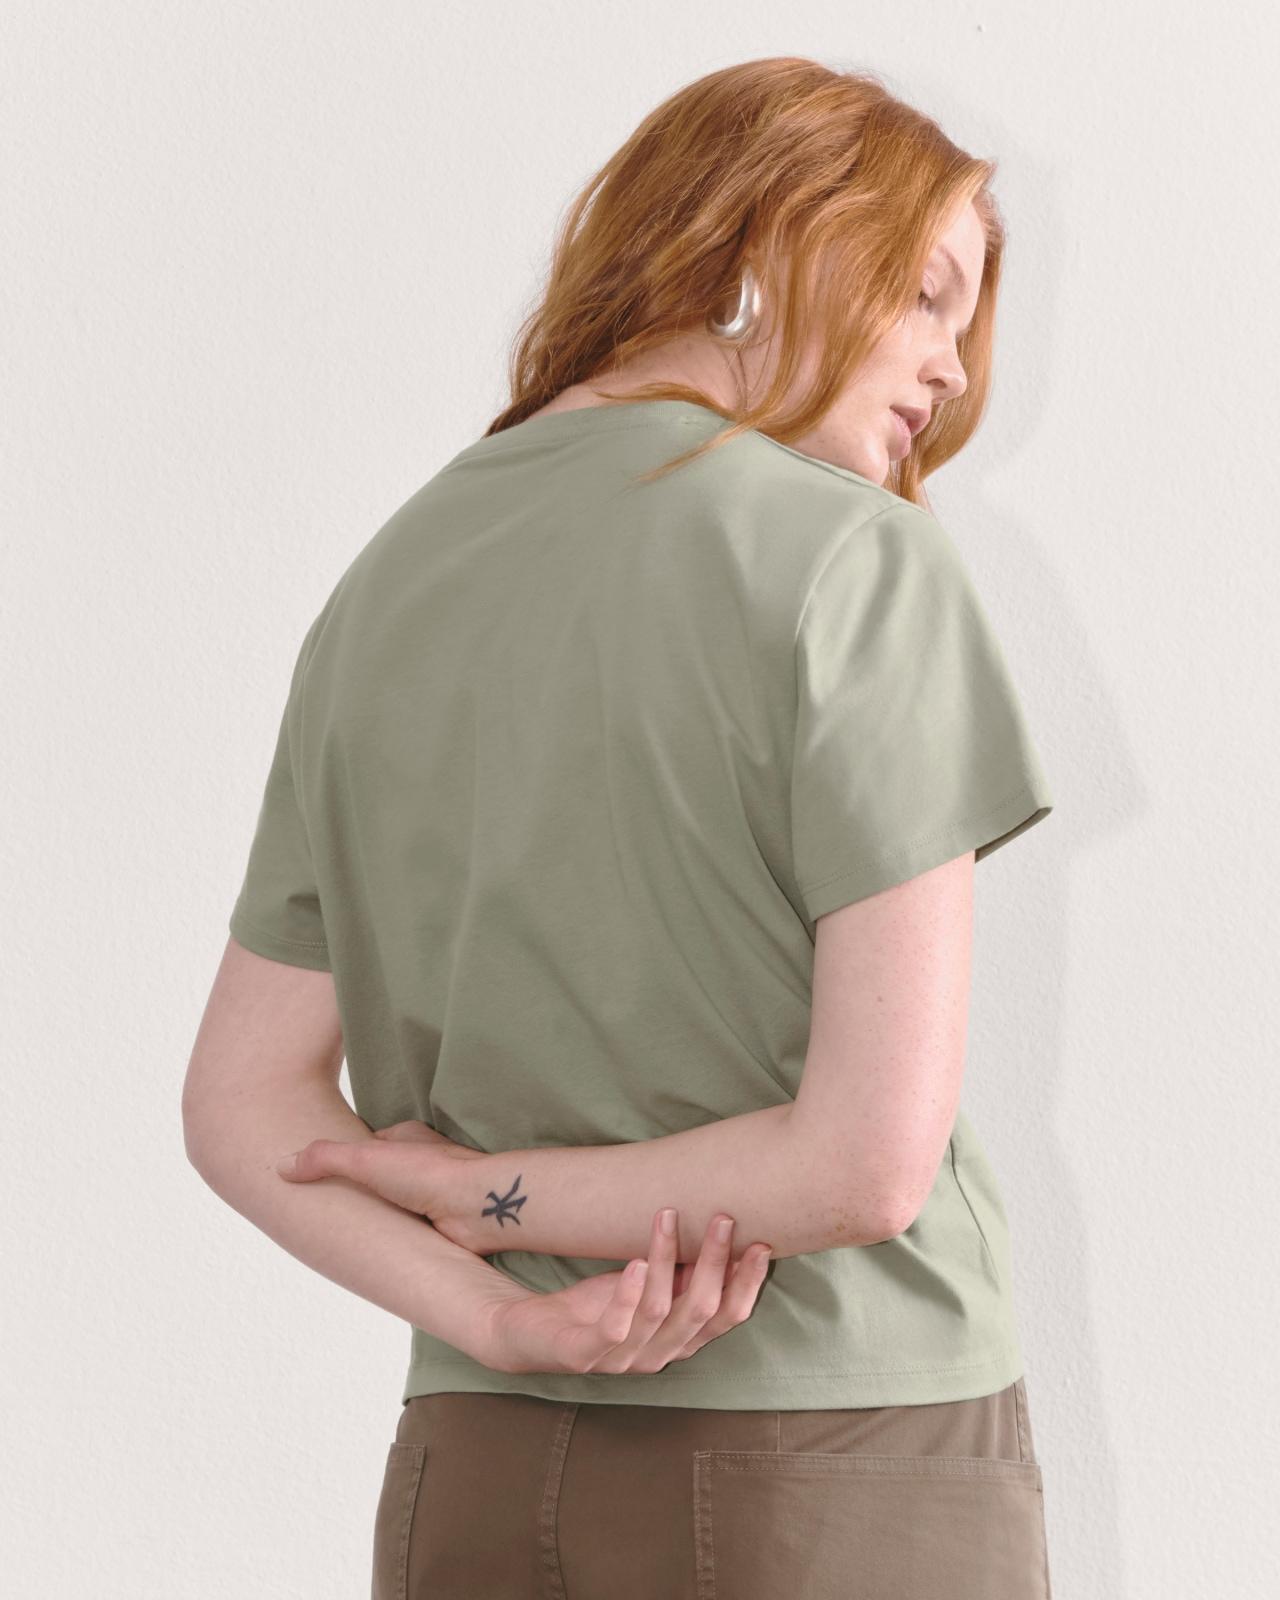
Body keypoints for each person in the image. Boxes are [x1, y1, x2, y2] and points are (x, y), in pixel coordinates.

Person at [183, 54, 1057, 1599]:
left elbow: (239, 1102)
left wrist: (500, 1306)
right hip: (836, 1458)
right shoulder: (855, 564)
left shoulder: (386, 582)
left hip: (474, 1468)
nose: (950, 371)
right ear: (766, 239)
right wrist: (490, 1199)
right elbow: (869, 1166)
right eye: (925, 295)